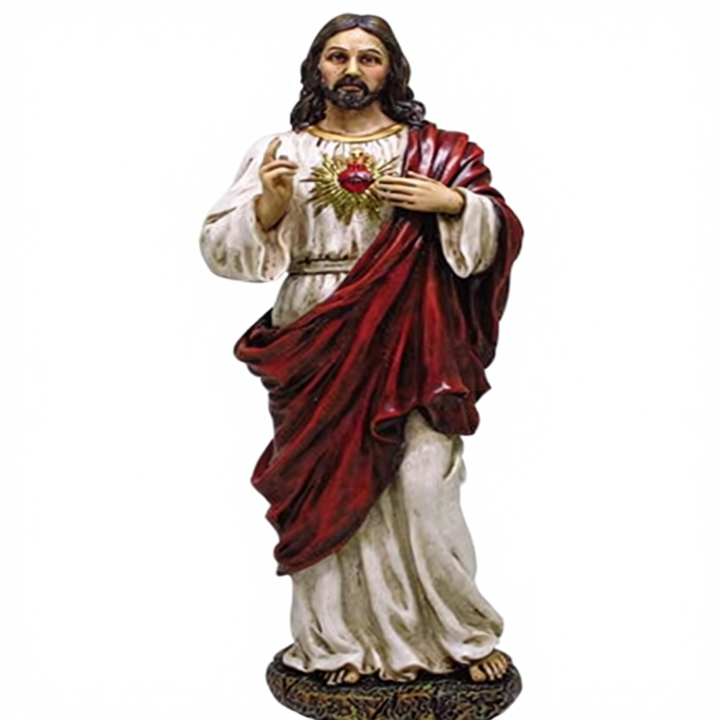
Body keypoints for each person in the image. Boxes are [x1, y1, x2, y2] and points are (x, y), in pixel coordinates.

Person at [200, 13, 523, 687]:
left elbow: (498, 231)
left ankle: (459, 635)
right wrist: (267, 208)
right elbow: (220, 249)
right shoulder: (281, 150)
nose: (352, 70)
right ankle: (334, 643)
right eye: (337, 56)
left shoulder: (434, 151)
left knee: (425, 485)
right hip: (317, 331)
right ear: (316, 67)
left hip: (415, 331)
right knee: (325, 485)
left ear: (391, 70)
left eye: (368, 58)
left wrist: (453, 204)